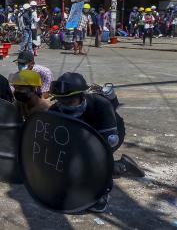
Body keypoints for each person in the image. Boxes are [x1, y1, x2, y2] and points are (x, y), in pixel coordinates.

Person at [50, 72, 145, 213]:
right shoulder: (55, 109)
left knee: (94, 162)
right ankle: (117, 166)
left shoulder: (101, 105)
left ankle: (105, 188)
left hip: (108, 134)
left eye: (70, 101)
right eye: (61, 100)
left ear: (82, 96)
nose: (65, 105)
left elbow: (106, 144)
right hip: (79, 135)